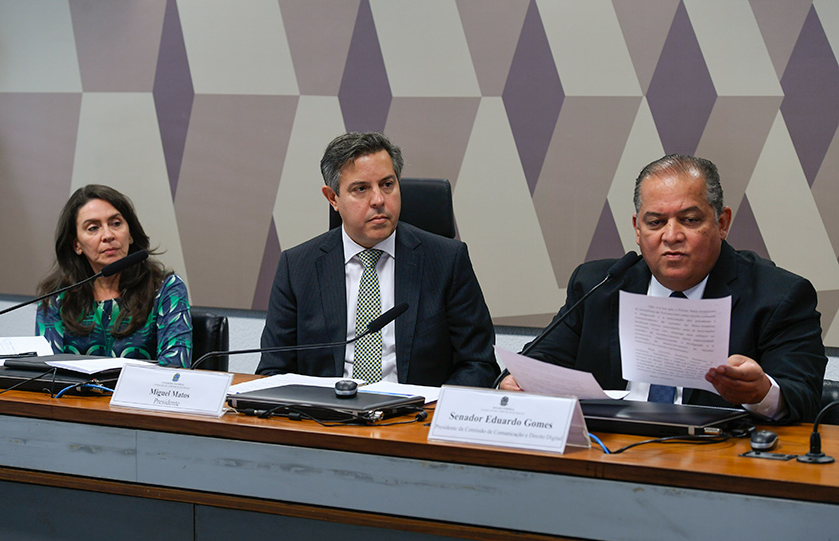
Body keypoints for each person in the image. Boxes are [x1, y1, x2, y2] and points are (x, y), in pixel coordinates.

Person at [500, 154, 826, 423]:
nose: (671, 236)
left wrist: (761, 393)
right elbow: (538, 362)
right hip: (609, 456)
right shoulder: (599, 285)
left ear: (722, 222)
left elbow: (803, 397)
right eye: (655, 222)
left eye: (689, 220)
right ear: (637, 229)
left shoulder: (779, 296)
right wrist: (517, 382)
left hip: (717, 465)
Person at [257, 132, 499, 387]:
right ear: (332, 198)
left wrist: (430, 413)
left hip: (415, 419)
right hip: (327, 419)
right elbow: (274, 369)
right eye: (361, 189)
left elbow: (479, 364)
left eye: (387, 184)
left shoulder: (447, 261)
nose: (379, 200)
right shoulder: (297, 267)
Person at [36, 185, 192, 367]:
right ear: (76, 244)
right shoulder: (57, 296)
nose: (108, 235)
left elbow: (175, 370)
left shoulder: (165, 289)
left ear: (131, 234)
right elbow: (46, 372)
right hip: (75, 396)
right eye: (93, 228)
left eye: (116, 224)